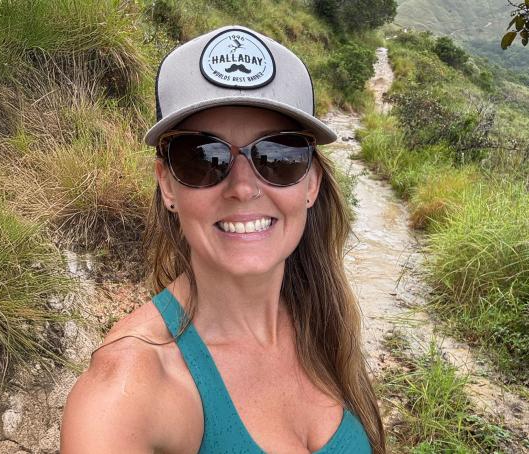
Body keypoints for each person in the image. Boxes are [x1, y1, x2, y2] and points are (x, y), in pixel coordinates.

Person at [60, 25, 385, 453]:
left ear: (311, 184)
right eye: (203, 158)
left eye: (278, 156)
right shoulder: (128, 389)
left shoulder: (323, 318)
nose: (243, 188)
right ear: (168, 185)